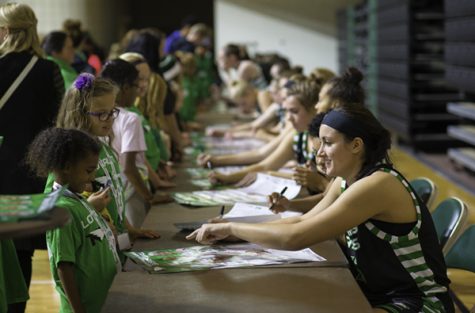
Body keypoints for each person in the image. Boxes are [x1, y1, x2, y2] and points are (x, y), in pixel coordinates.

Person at [188, 104, 454, 313]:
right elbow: (300, 222)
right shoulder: (344, 180)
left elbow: (296, 238)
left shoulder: (377, 184)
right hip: (378, 294)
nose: (319, 153)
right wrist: (234, 233)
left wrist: (234, 227)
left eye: (328, 143)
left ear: (356, 145)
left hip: (419, 302)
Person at [0, 3, 64, 312]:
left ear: (7, 31)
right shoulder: (48, 70)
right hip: (29, 170)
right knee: (21, 249)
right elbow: (56, 124)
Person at [52, 73, 160, 249]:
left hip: (116, 242)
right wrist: (89, 207)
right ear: (80, 113)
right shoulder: (68, 156)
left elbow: (113, 198)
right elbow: (56, 205)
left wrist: (130, 229)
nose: (109, 119)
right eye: (101, 114)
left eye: (112, 112)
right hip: (92, 249)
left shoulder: (106, 148)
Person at [26, 127, 120, 313]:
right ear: (67, 167)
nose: (92, 177)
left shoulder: (79, 200)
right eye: (89, 170)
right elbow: (64, 266)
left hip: (100, 303)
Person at [100, 59, 171, 228]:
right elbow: (129, 167)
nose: (138, 91)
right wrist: (149, 196)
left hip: (113, 192)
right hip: (132, 192)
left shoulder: (102, 116)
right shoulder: (131, 119)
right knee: (138, 242)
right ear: (125, 87)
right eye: (135, 86)